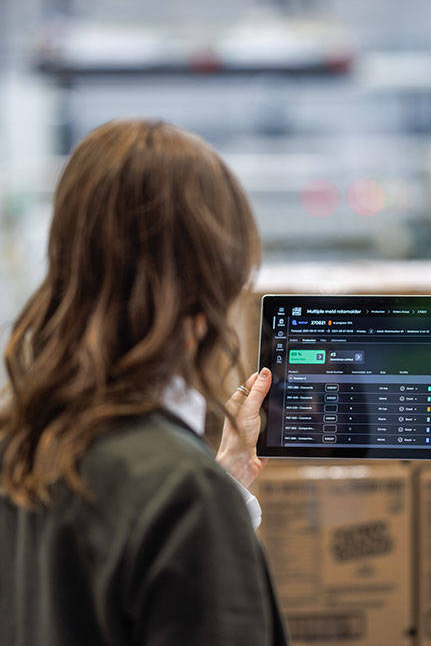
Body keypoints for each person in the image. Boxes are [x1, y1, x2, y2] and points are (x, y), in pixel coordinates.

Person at [0, 119, 289, 646]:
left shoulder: (22, 441)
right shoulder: (183, 493)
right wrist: (204, 493)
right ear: (211, 277)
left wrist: (224, 476)